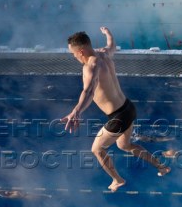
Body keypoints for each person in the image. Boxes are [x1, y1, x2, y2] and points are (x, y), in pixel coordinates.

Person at [62, 27, 170, 192]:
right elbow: (112, 45)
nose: (74, 57)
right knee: (124, 145)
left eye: (73, 54)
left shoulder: (91, 65)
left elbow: (89, 91)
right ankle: (162, 167)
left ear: (81, 51)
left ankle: (117, 180)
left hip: (118, 116)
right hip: (128, 107)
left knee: (97, 149)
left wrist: (76, 111)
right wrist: (108, 33)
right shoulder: (103, 54)